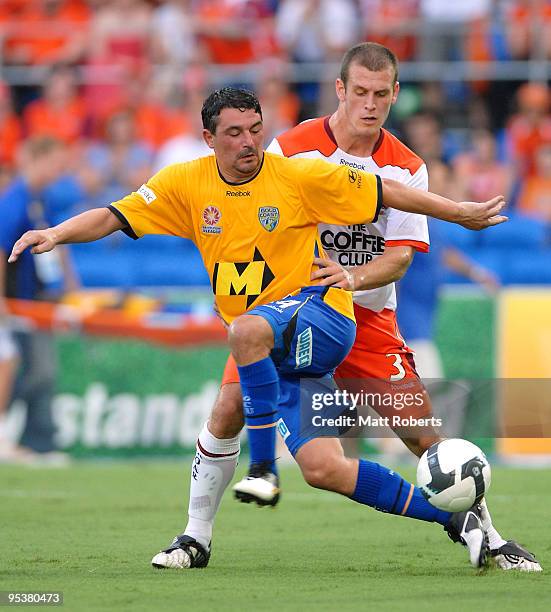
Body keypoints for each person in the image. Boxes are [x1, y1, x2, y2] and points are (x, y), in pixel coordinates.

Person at [8, 88, 506, 571]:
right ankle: (455, 519)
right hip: (262, 338)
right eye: (234, 133)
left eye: (254, 130)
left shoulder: (296, 176)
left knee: (250, 361)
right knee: (318, 467)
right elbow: (114, 216)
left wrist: (460, 212)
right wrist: (56, 233)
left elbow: (385, 192)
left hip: (318, 315)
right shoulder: (185, 184)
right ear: (209, 138)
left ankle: (258, 473)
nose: (247, 142)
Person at [185, 45, 540, 572]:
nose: (370, 105)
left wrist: (350, 277)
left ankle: (487, 533)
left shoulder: (407, 167)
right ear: (339, 90)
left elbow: (399, 260)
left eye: (381, 94)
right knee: (227, 410)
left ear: (395, 94)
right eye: (360, 93)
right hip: (295, 312)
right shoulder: (292, 148)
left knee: (422, 435)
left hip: (368, 318)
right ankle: (194, 538)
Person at [0, 136, 77, 463]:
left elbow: (56, 243)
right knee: (28, 370)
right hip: (18, 303)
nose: (59, 171)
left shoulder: (38, 199)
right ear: (38, 159)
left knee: (36, 370)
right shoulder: (14, 200)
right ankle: (28, 440)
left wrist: (69, 285)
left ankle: (34, 442)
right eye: (55, 163)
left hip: (37, 301)